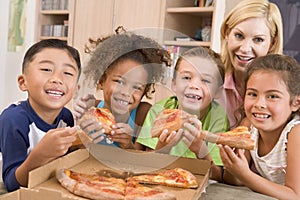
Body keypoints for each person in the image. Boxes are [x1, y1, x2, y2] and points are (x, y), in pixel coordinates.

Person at [137, 47, 230, 181]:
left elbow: (217, 176)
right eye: (186, 77)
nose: (194, 85)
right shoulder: (159, 111)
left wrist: (200, 150)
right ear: (174, 84)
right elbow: (148, 167)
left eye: (206, 80)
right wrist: (164, 146)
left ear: (217, 91)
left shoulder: (218, 117)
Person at [0, 39, 81, 192]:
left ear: (75, 90)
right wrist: (40, 155)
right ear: (23, 82)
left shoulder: (66, 117)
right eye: (46, 69)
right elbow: (12, 184)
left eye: (68, 73)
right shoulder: (13, 119)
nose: (57, 79)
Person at [219, 54, 300, 199]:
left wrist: (245, 174)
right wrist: (202, 149)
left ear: (295, 103)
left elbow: (295, 195)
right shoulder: (248, 127)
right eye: (252, 94)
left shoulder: (295, 133)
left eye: (272, 96)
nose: (259, 104)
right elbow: (235, 180)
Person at [72, 31, 171, 150]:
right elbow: (75, 152)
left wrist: (128, 145)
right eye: (119, 82)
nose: (126, 92)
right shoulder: (91, 110)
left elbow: (144, 162)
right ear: (101, 81)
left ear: (144, 92)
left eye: (136, 87)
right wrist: (84, 136)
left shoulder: (143, 115)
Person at [217, 0, 283, 128]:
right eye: (239, 36)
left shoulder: (285, 92)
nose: (245, 48)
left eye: (258, 40)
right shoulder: (209, 83)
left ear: (272, 44)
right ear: (227, 33)